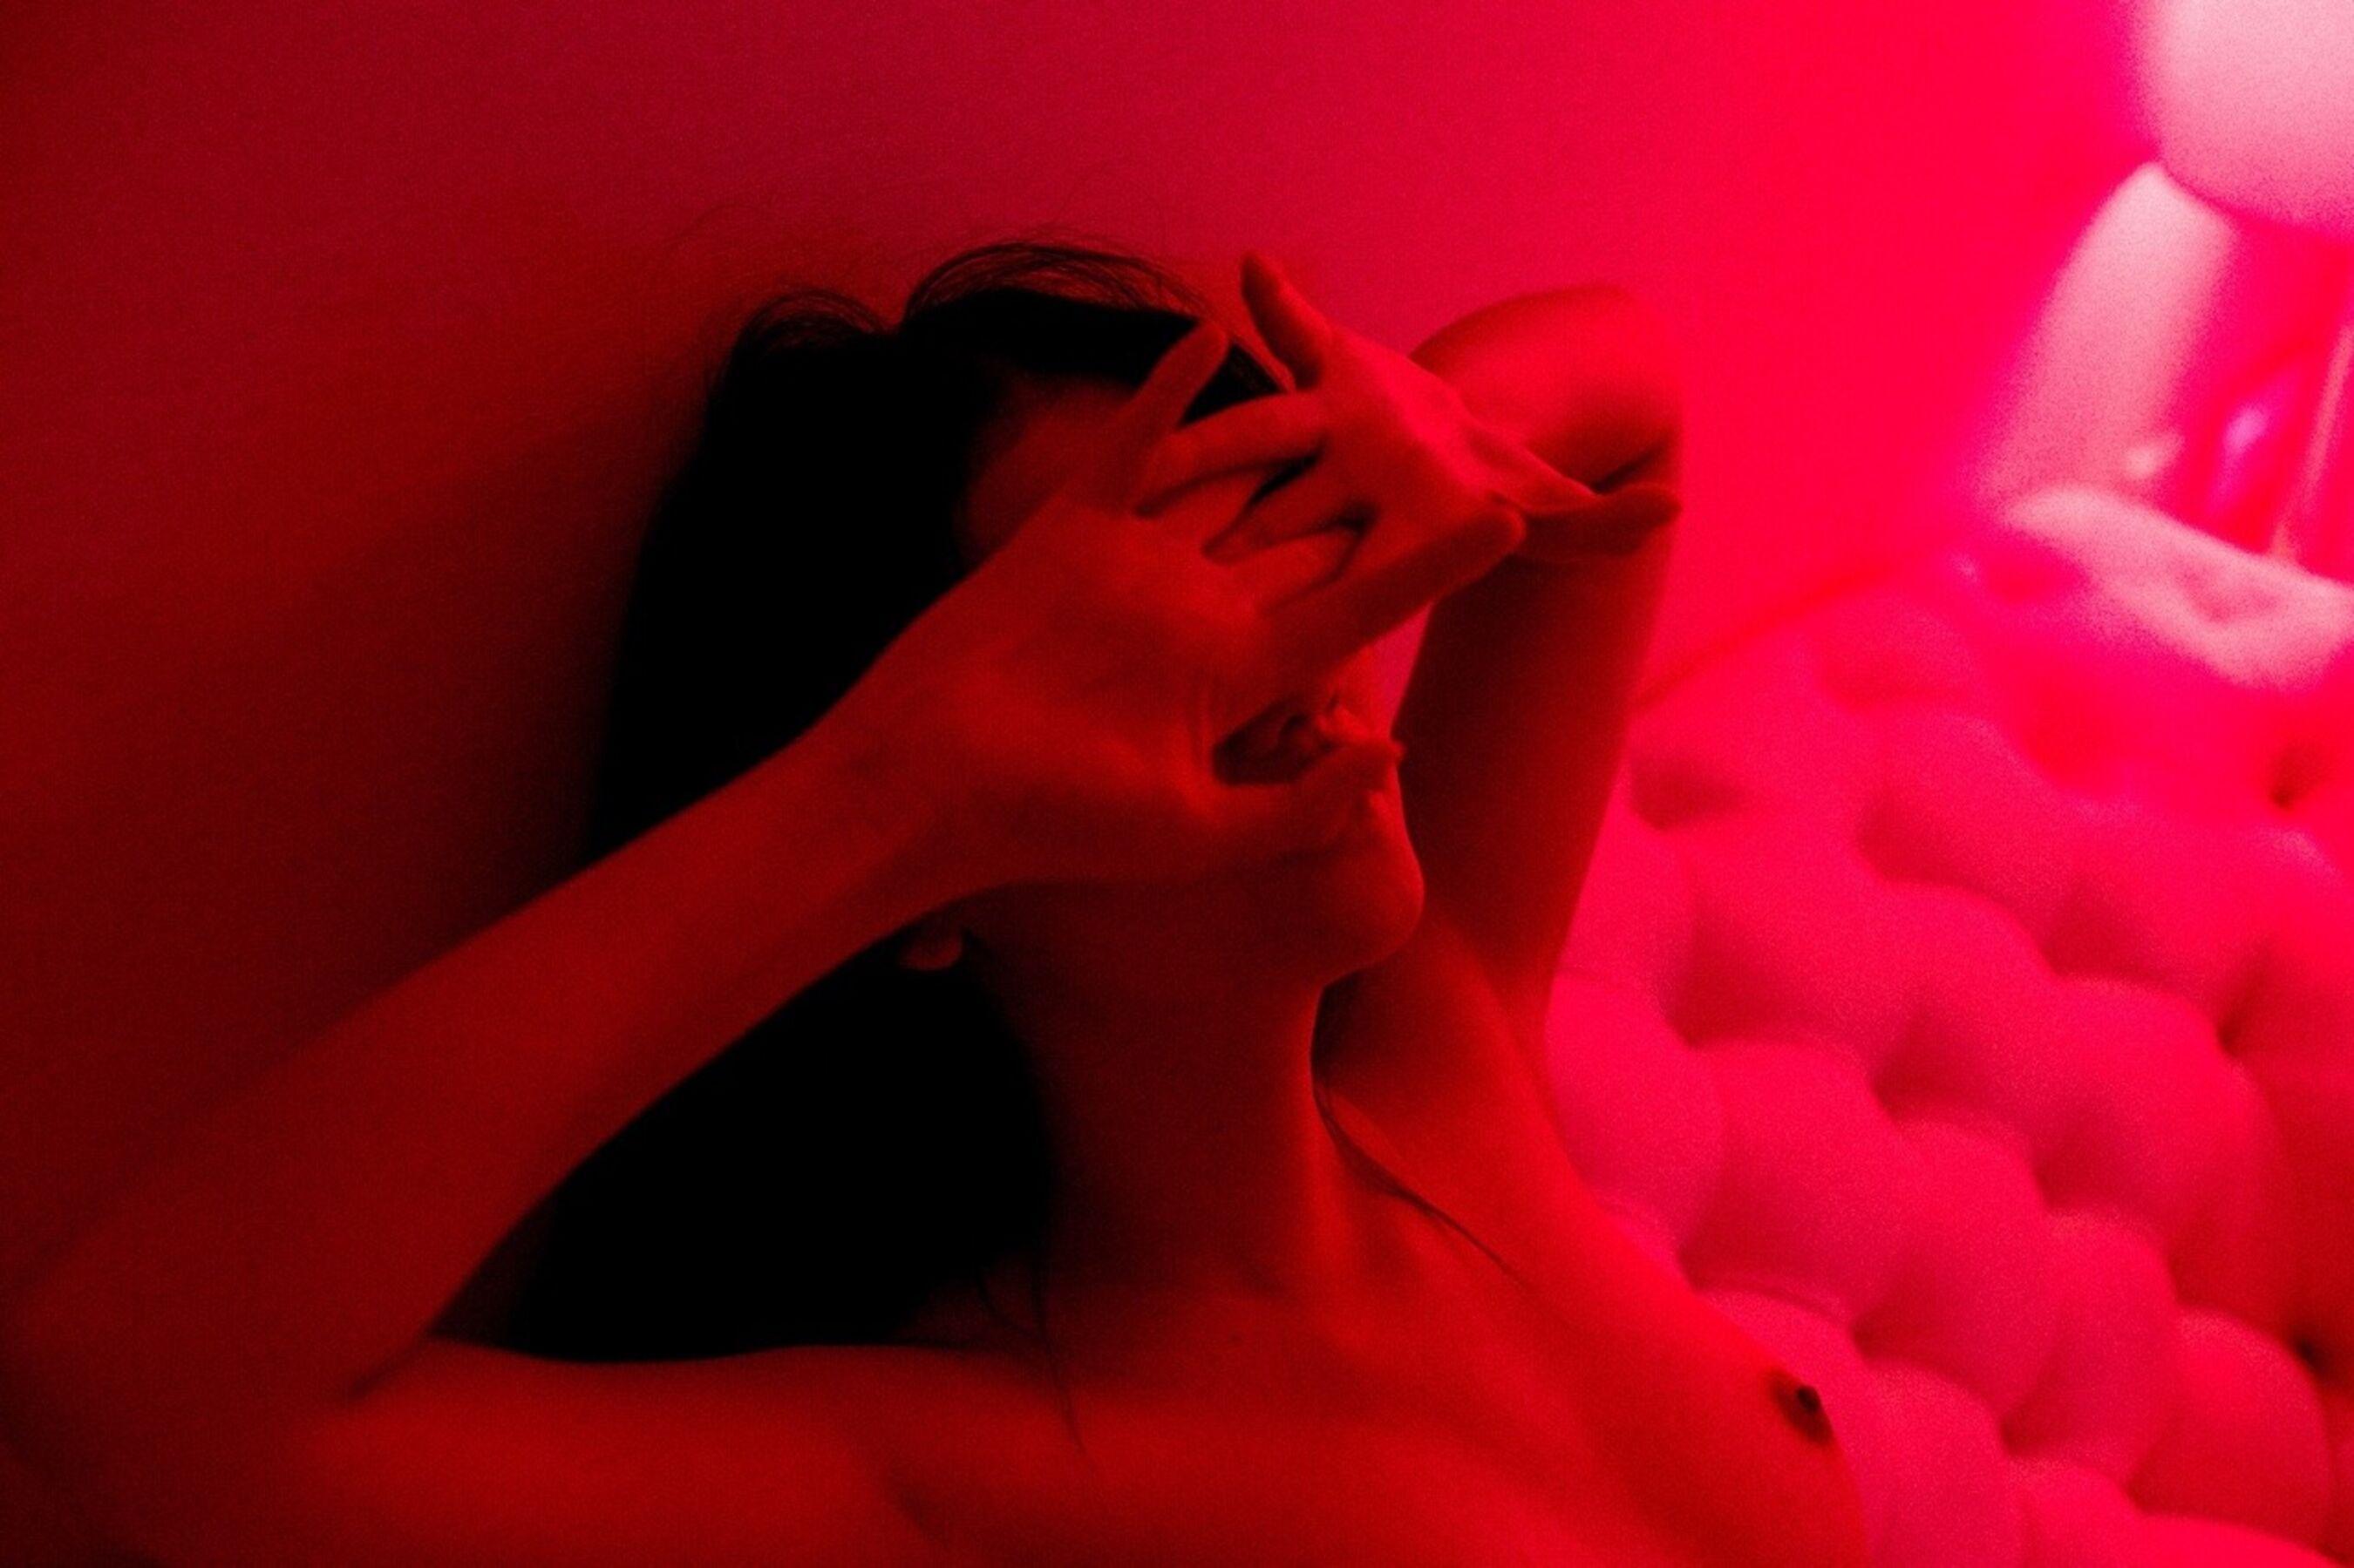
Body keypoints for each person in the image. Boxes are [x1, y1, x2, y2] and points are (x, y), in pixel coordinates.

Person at [0, 241, 1868, 1565]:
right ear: (932, 847)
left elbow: (1627, 401)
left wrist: (1420, 426)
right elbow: (138, 1400)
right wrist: (883, 794)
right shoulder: (963, 1468)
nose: (1298, 668)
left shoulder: (1445, 1054)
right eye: (1146, 648)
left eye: (1281, 548)